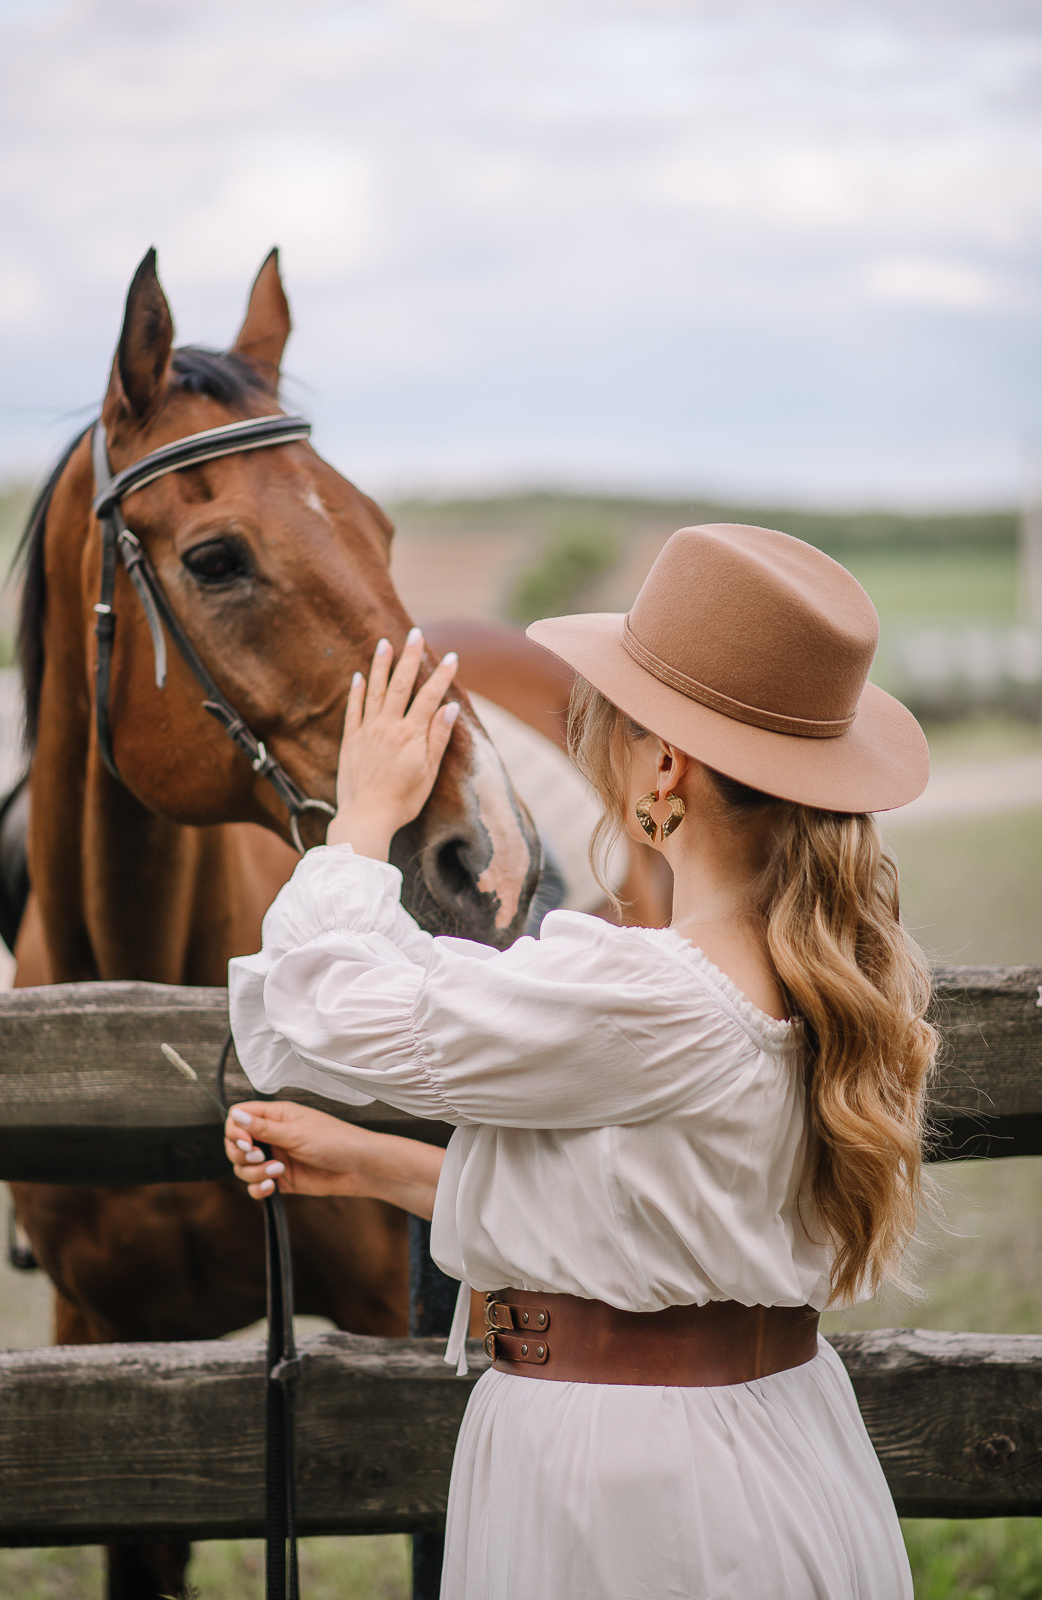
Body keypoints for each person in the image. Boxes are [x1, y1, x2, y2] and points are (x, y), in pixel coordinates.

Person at [224, 523, 937, 1600]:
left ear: (666, 766)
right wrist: (375, 1165)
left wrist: (361, 818)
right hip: (766, 1442)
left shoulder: (648, 995)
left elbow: (318, 1002)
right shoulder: (825, 977)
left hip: (631, 1494)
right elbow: (649, 1216)